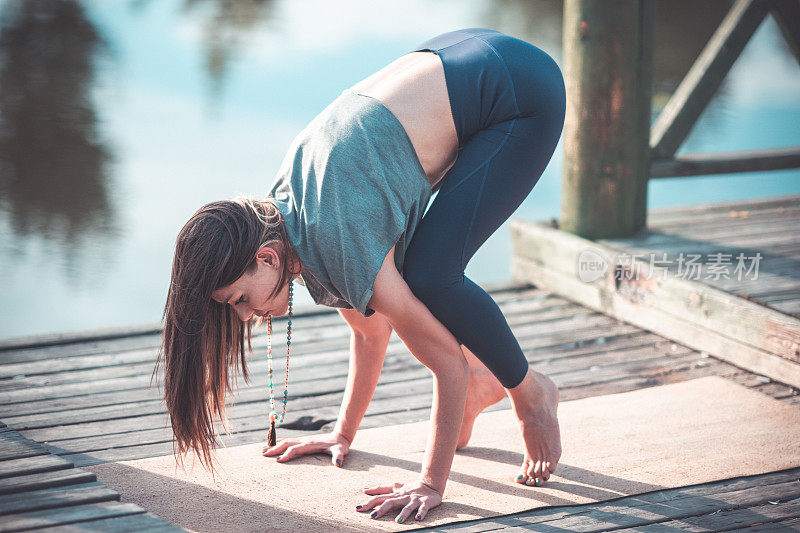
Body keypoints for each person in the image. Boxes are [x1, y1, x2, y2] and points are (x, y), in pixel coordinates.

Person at [158, 27, 566, 524]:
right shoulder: (290, 216)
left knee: (433, 275)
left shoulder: (335, 239)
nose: (247, 316)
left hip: (519, 93)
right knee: (419, 277)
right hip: (467, 55)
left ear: (267, 258)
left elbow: (445, 363)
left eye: (241, 299)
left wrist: (430, 483)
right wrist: (342, 433)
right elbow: (371, 334)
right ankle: (486, 382)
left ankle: (531, 394)